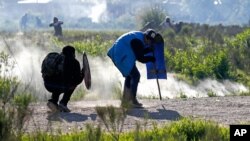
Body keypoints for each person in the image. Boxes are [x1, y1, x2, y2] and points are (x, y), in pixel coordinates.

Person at [107, 29, 157, 107]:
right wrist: (151, 59)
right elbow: (140, 58)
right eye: (150, 41)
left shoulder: (139, 36)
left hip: (120, 53)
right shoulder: (138, 41)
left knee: (130, 75)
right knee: (136, 75)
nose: (150, 43)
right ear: (146, 38)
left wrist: (148, 50)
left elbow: (139, 51)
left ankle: (125, 100)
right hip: (121, 56)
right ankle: (132, 101)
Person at [43, 46, 84, 112]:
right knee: (72, 84)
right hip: (60, 86)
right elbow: (77, 80)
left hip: (47, 85)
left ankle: (53, 102)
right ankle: (63, 103)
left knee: (57, 79)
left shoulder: (56, 59)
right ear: (73, 53)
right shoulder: (74, 62)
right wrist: (83, 74)